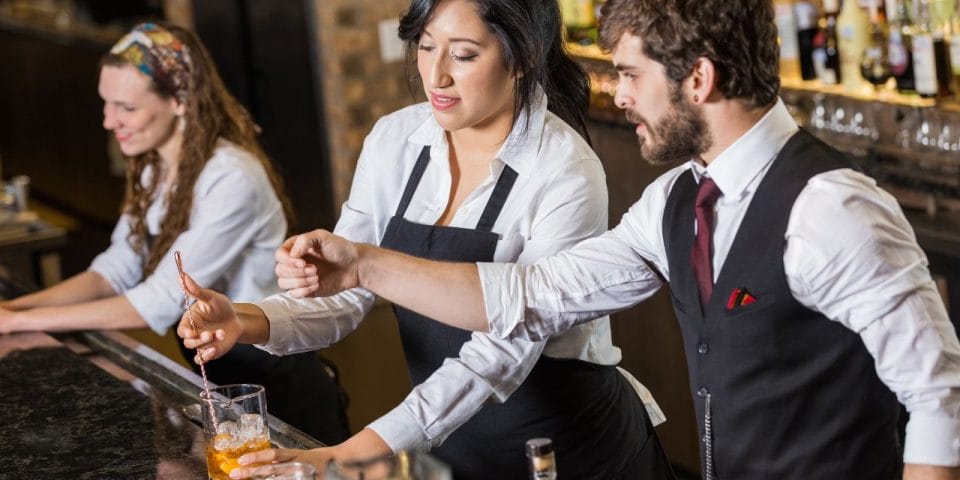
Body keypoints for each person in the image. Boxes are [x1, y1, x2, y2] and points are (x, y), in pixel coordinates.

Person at [247, 0, 960, 479]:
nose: (615, 96)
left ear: (699, 80)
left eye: (628, 74)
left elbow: (938, 395)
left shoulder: (831, 206)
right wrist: (363, 265)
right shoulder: (673, 201)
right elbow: (535, 293)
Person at [177, 0, 676, 478]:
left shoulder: (564, 169)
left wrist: (354, 455)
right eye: (425, 45)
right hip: (451, 437)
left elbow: (498, 355)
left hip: (569, 450)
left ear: (522, 56)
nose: (435, 76)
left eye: (462, 55)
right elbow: (348, 293)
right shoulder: (396, 141)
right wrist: (244, 319)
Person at [0, 23, 350, 445]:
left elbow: (160, 300)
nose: (109, 120)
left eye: (125, 107)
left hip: (279, 386)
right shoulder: (154, 167)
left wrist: (21, 320)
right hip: (220, 381)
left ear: (180, 99)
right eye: (106, 104)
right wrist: (15, 310)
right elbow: (116, 268)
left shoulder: (232, 177)